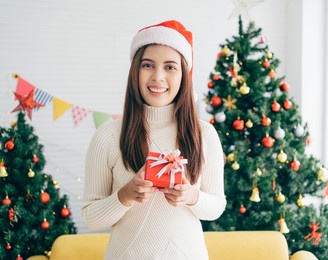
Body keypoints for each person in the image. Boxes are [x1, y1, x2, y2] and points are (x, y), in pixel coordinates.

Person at [81, 20, 226, 260]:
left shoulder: (204, 134)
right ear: (135, 70)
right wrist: (125, 195)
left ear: (184, 76)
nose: (158, 77)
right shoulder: (107, 135)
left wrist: (192, 196)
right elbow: (91, 217)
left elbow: (217, 206)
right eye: (148, 65)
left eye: (170, 67)